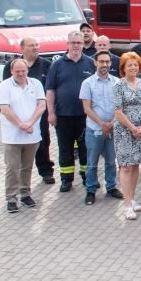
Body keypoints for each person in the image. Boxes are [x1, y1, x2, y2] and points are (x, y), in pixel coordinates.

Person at [46, 30, 95, 191]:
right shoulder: (57, 65)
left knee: (86, 148)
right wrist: (51, 113)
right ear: (67, 44)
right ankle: (66, 179)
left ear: (83, 44)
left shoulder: (90, 63)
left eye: (79, 43)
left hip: (85, 116)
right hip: (63, 115)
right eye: (73, 43)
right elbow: (50, 91)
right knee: (65, 148)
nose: (76, 46)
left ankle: (87, 177)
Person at [1, 36, 54, 184]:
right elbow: (7, 88)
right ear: (22, 48)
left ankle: (46, 171)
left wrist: (49, 111)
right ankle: (17, 178)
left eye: (37, 45)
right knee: (17, 147)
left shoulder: (46, 65)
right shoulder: (10, 66)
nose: (35, 48)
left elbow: (49, 89)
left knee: (43, 142)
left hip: (38, 113)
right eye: (31, 45)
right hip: (16, 115)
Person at [0, 59, 47, 213]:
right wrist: (21, 124)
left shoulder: (36, 84)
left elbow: (42, 105)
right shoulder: (5, 85)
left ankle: (25, 193)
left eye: (23, 71)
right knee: (12, 168)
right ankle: (11, 198)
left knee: (27, 167)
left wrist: (30, 123)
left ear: (27, 70)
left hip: (32, 135)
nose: (20, 74)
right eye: (17, 71)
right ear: (11, 71)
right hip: (12, 136)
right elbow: (5, 108)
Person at [112, 53, 141, 221]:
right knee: (126, 166)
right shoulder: (118, 86)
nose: (133, 68)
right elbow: (118, 111)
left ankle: (133, 198)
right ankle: (127, 205)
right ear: (123, 68)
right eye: (130, 65)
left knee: (136, 165)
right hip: (124, 131)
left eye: (135, 65)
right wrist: (133, 128)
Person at [80, 51, 123, 205]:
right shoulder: (87, 83)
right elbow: (87, 108)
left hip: (112, 129)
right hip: (94, 129)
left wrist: (110, 123)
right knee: (92, 162)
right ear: (95, 63)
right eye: (101, 61)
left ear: (110, 63)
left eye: (107, 61)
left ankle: (111, 187)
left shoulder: (117, 82)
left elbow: (119, 106)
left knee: (111, 161)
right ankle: (91, 190)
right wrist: (102, 124)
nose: (104, 64)